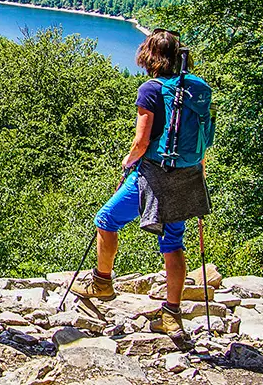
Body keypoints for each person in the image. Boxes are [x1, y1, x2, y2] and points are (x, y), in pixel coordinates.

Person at [70, 30, 212, 344]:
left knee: (106, 220)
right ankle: (171, 314)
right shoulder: (198, 89)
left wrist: (127, 160)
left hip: (153, 174)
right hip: (188, 173)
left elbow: (141, 140)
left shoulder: (150, 90)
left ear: (150, 57)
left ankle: (102, 282)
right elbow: (204, 139)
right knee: (174, 242)